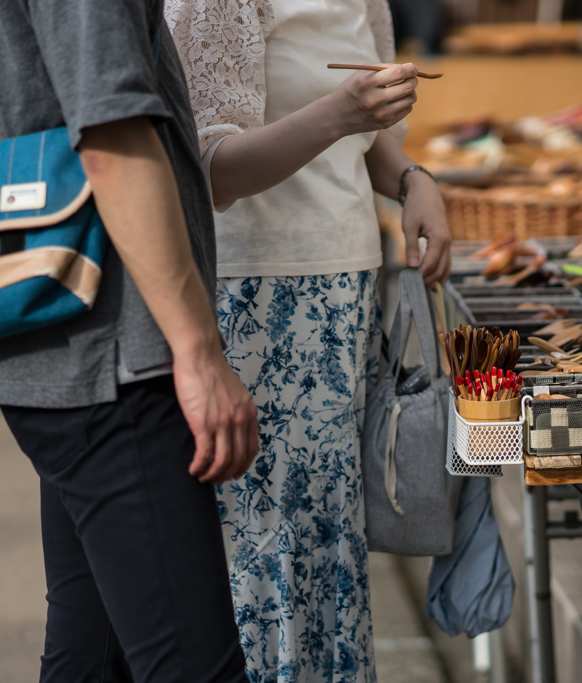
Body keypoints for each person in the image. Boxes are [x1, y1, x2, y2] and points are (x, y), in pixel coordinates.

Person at [164, 0, 452, 680]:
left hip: (342, 293)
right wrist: (339, 113)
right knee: (267, 563)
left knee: (329, 558)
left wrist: (414, 180)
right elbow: (209, 168)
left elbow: (367, 130)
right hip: (260, 299)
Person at [0, 1, 259, 681]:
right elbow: (111, 131)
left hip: (68, 343)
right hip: (116, 348)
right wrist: (199, 352)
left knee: (92, 658)